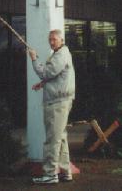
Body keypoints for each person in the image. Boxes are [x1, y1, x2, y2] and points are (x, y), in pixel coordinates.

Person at [28, 29, 75, 184]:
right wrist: (43, 84)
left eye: (54, 39)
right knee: (60, 138)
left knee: (52, 140)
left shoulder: (60, 55)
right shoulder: (61, 54)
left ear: (62, 40)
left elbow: (47, 73)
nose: (51, 42)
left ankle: (49, 174)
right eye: (50, 39)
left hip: (56, 103)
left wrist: (34, 59)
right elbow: (56, 76)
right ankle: (65, 172)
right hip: (61, 101)